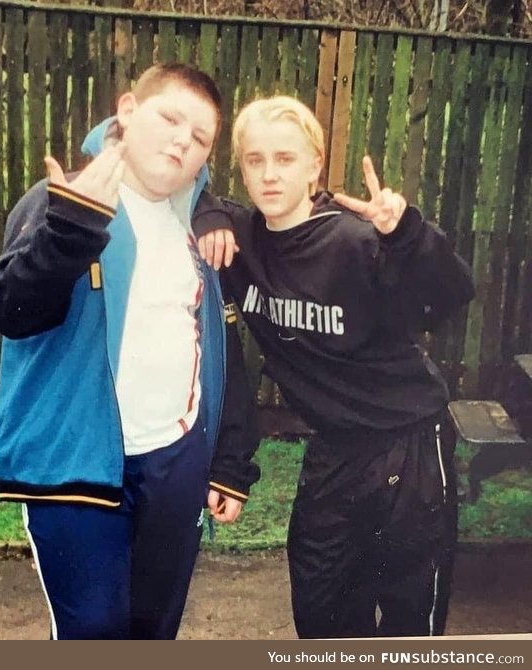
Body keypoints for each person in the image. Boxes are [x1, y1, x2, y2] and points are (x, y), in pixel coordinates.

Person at [0, 63, 260, 640]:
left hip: (175, 463)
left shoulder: (202, 227)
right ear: (128, 110)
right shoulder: (64, 199)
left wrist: (230, 460)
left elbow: (221, 346)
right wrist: (71, 228)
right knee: (95, 630)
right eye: (170, 118)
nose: (183, 140)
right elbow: (11, 310)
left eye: (201, 137)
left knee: (154, 629)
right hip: (79, 466)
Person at [194, 96, 475, 638]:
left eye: (286, 159)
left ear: (314, 166)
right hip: (333, 449)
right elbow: (182, 185)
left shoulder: (358, 238)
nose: (270, 174)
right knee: (322, 612)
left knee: (408, 618)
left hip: (409, 443)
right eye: (255, 160)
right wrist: (205, 210)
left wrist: (408, 235)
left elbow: (451, 294)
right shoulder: (240, 239)